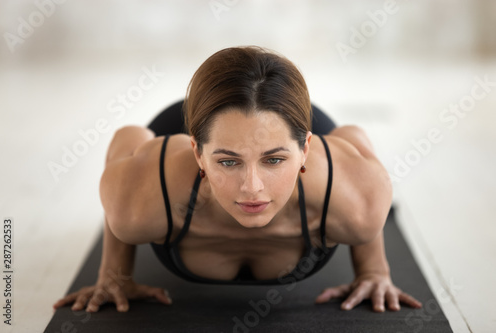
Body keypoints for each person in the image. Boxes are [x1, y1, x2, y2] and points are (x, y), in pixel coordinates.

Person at [53, 46, 422, 313]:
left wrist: (374, 271)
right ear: (197, 153)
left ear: (306, 149)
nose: (252, 187)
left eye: (273, 161)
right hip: (193, 130)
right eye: (229, 164)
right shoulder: (146, 195)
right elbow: (127, 137)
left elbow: (355, 138)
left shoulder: (356, 196)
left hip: (288, 127)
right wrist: (114, 276)